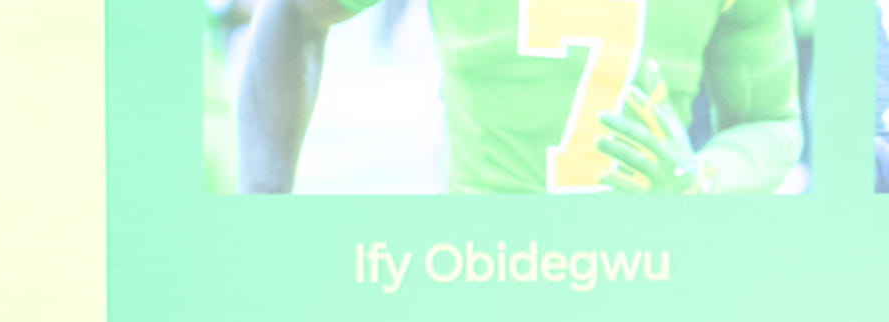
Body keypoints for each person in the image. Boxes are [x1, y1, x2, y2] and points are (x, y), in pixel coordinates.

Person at [237, 0, 803, 194]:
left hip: (654, 266)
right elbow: (298, 10)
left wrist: (699, 179)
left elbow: (771, 123)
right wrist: (262, 215)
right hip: (482, 264)